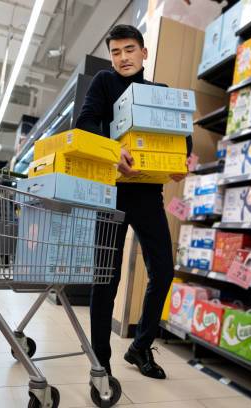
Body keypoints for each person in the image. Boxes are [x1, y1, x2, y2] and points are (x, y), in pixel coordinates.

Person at [76, 24, 192, 380]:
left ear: (144, 53)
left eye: (129, 50)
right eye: (116, 52)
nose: (123, 57)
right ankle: (101, 362)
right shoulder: (103, 84)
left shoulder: (160, 92)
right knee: (105, 280)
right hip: (110, 192)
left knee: (163, 271)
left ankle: (140, 346)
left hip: (147, 194)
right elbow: (85, 123)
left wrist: (181, 164)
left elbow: (181, 138)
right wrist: (113, 151)